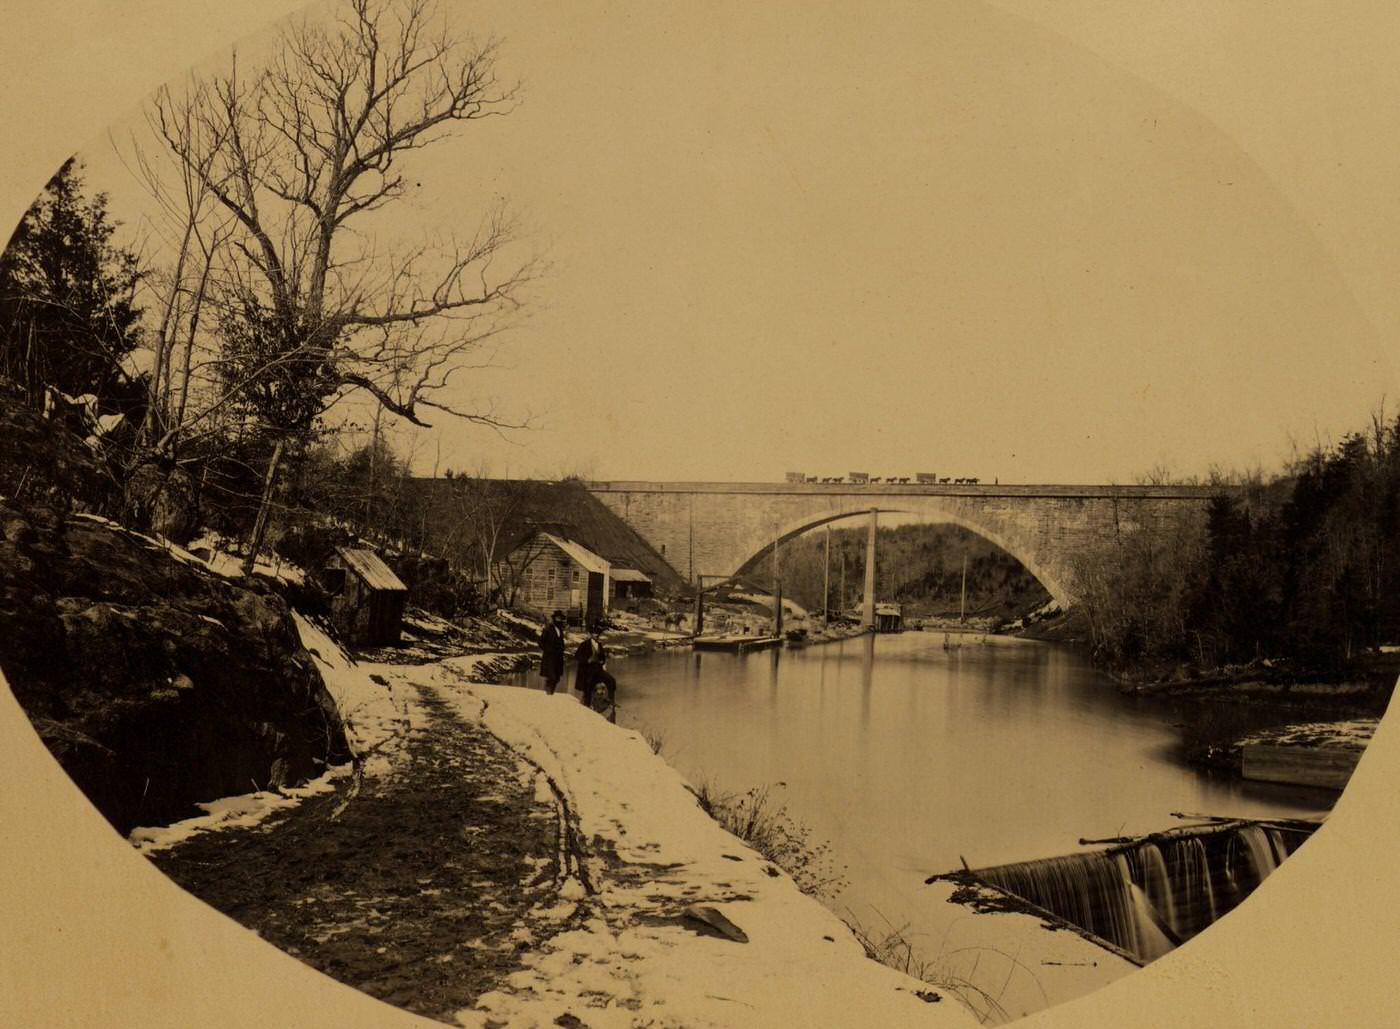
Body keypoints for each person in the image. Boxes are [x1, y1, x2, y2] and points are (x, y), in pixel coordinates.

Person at [573, 620, 617, 713]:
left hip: (598, 670)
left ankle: (610, 699)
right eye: (594, 633)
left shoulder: (599, 645)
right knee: (588, 686)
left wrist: (602, 661)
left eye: (597, 634)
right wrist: (586, 660)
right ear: (590, 634)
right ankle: (587, 706)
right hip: (587, 670)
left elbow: (603, 657)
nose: (596, 635)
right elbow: (577, 656)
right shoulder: (584, 644)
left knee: (611, 680)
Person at [538, 610, 567, 695]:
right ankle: (548, 692)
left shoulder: (560, 630)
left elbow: (561, 642)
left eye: (560, 619)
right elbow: (541, 642)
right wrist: (548, 650)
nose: (559, 620)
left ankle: (551, 693)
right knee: (551, 676)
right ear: (554, 619)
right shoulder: (548, 629)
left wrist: (562, 649)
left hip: (558, 657)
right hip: (550, 657)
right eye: (557, 618)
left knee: (557, 677)